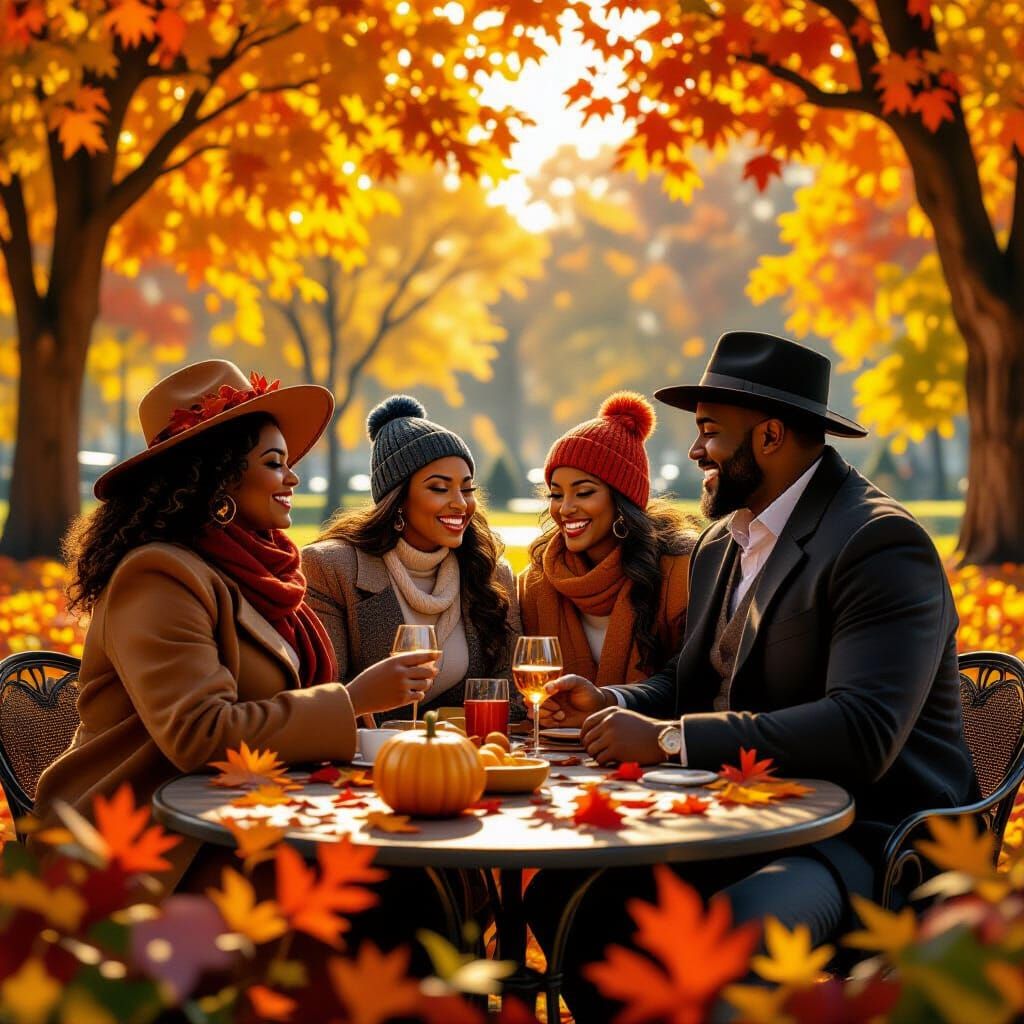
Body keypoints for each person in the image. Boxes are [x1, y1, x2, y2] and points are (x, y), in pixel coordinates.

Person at [528, 331, 976, 1019]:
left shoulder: (879, 543)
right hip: (743, 816)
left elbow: (863, 732)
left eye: (709, 431)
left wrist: (671, 741)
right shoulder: (722, 542)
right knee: (565, 901)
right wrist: (611, 699)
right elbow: (689, 680)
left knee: (727, 937)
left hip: (866, 838)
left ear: (769, 436)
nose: (694, 450)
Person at [33, 361, 437, 891]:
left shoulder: (254, 571)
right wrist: (353, 700)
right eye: (274, 463)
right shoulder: (157, 577)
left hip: (249, 810)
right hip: (153, 842)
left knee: (428, 871)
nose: (292, 477)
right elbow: (201, 735)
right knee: (396, 886)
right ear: (219, 475)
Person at [302, 395, 520, 719]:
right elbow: (325, 695)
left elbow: (512, 692)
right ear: (398, 498)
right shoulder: (331, 568)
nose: (461, 503)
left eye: (467, 488)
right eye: (439, 488)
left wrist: (441, 731)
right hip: (368, 749)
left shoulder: (490, 572)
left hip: (467, 747)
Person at [518, 392, 696, 689]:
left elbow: (688, 682)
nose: (565, 508)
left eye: (584, 492)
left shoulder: (679, 572)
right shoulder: (537, 583)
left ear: (622, 499)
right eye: (556, 494)